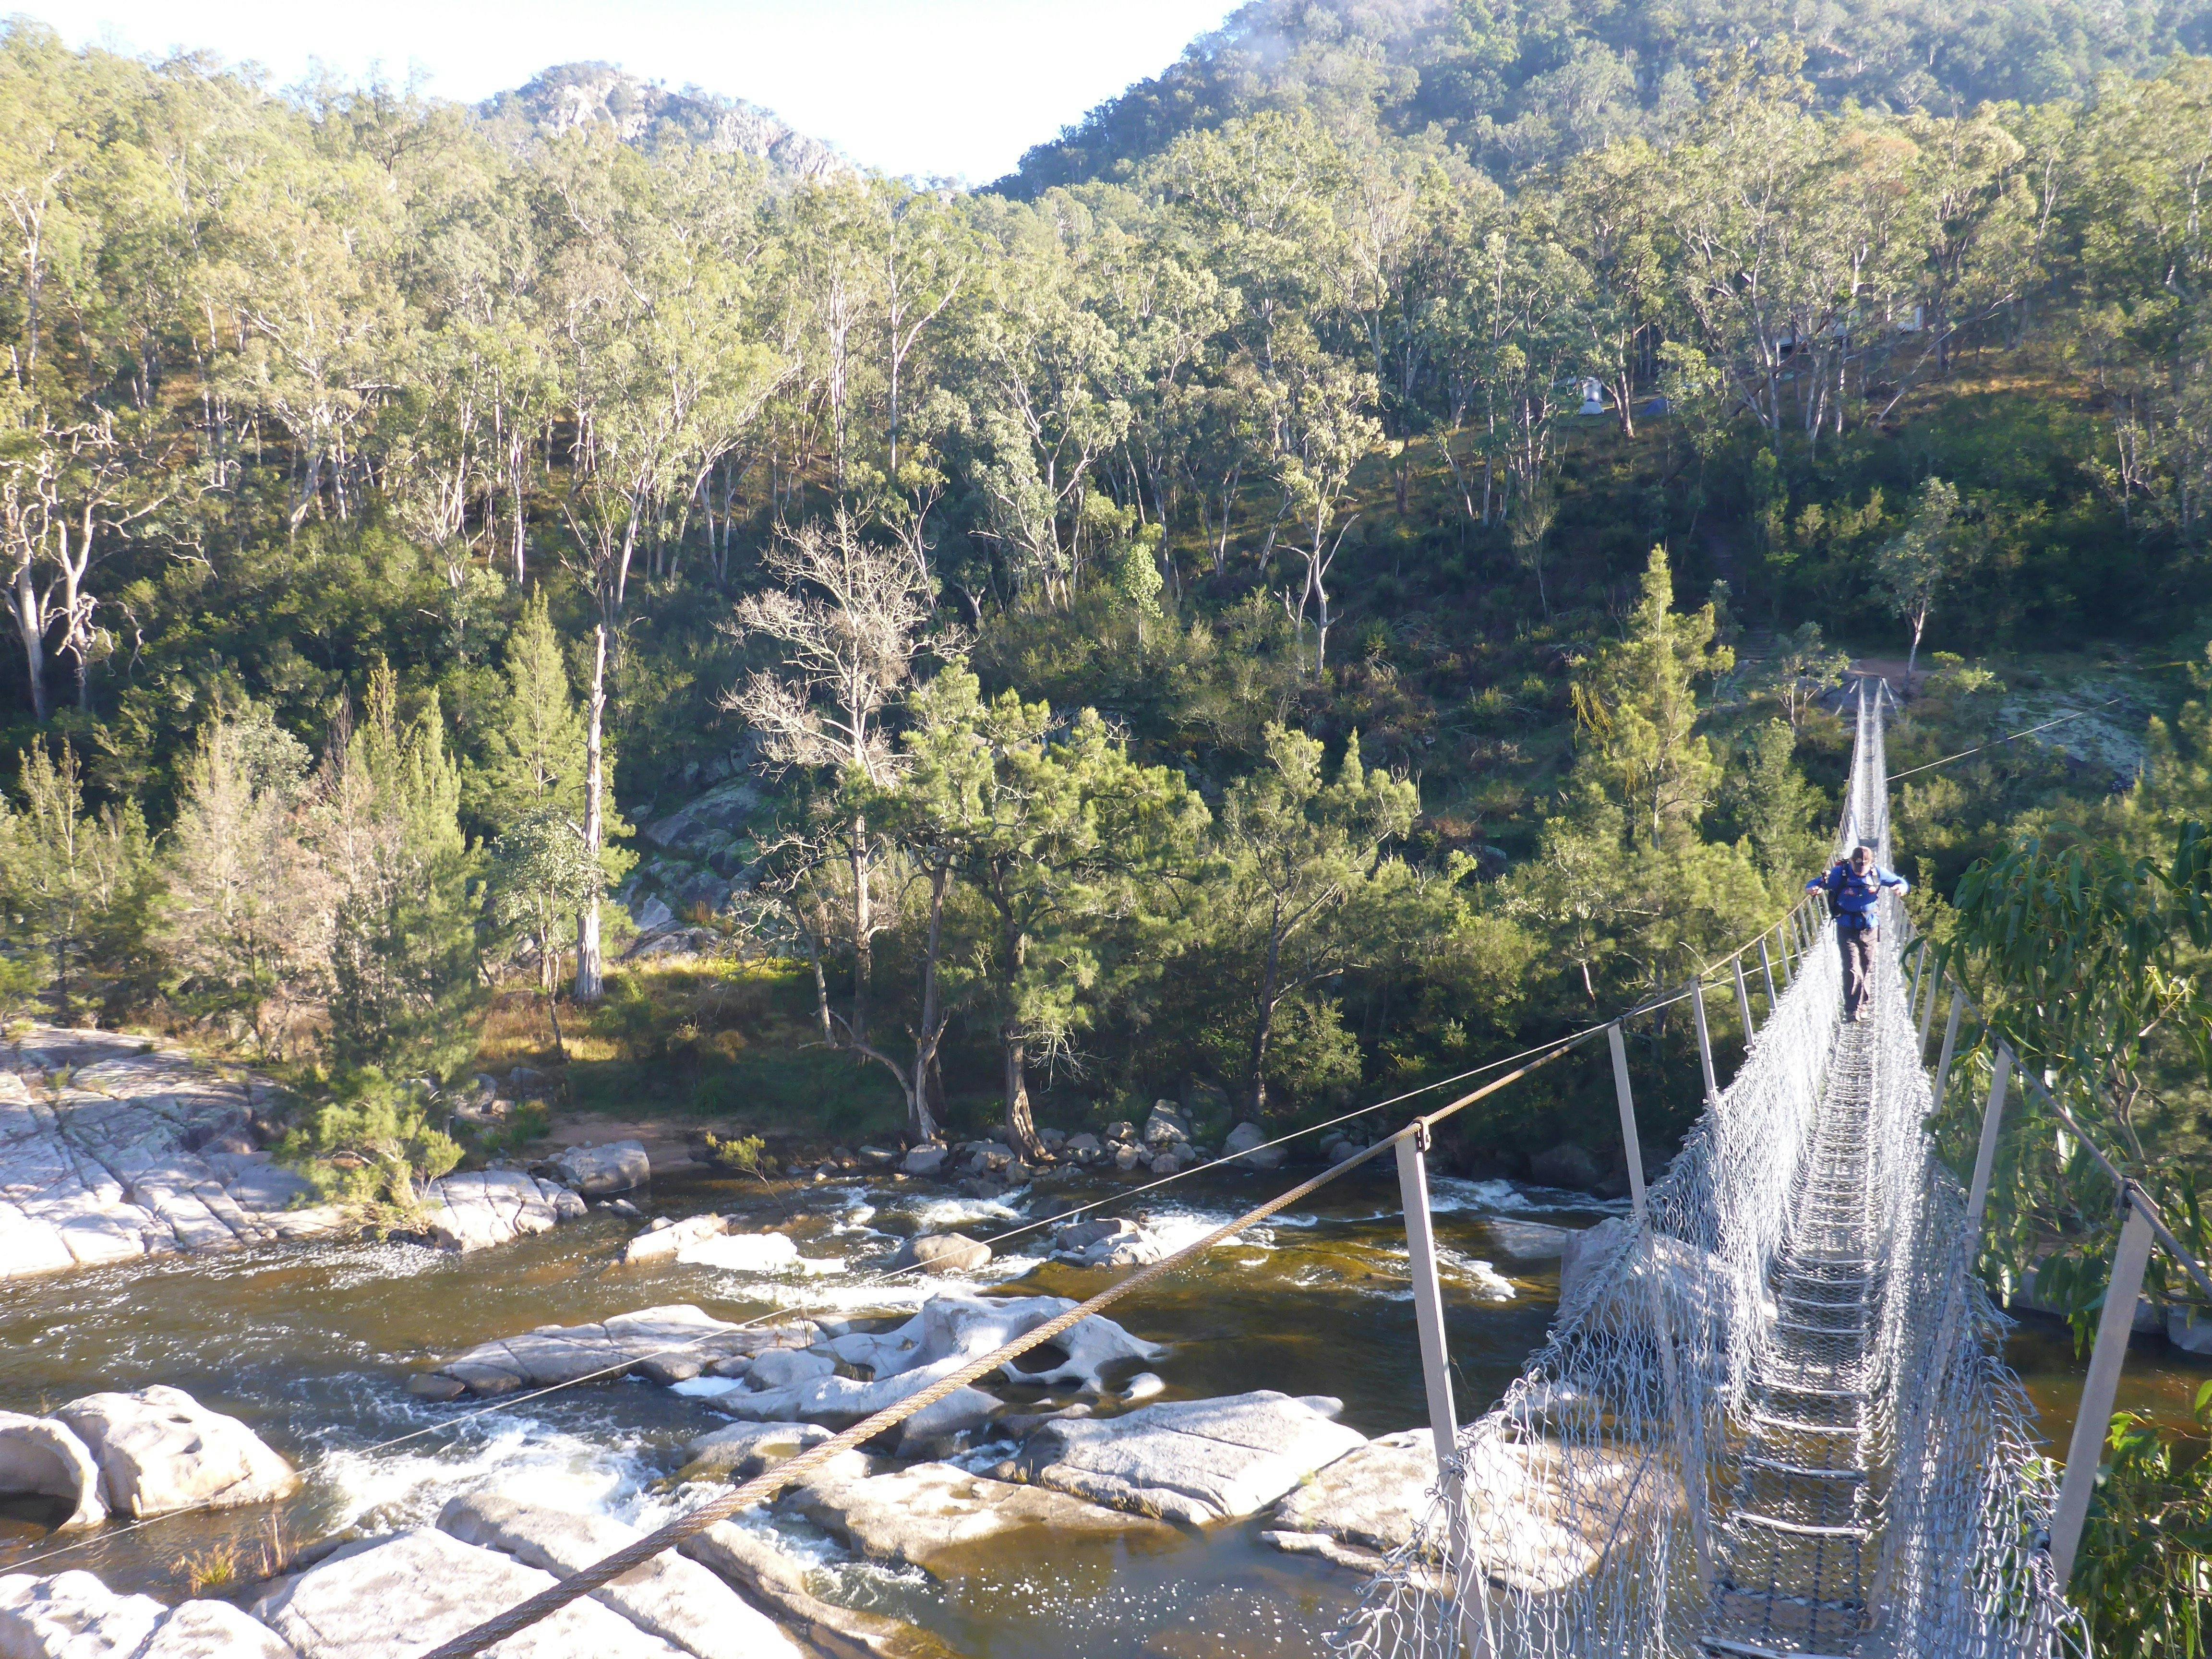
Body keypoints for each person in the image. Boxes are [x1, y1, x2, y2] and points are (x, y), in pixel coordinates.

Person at [1806, 844, 1909, 1022]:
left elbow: (1901, 882)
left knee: (1867, 967)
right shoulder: (1841, 873)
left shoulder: (1878, 873)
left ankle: (1864, 1005)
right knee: (1853, 967)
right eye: (1857, 866)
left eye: (1864, 867)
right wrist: (1814, 889)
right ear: (1852, 862)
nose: (1860, 871)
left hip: (1870, 927)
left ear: (1871, 863)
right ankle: (1852, 1009)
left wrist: (1901, 888)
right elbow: (1816, 883)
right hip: (1846, 927)